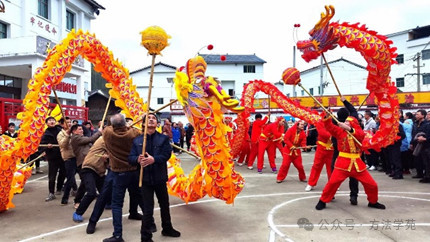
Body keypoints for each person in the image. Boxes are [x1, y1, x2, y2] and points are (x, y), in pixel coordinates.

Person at [315, 114, 385, 210]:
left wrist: (349, 129)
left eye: (348, 122)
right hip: (342, 164)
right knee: (332, 184)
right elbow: (329, 127)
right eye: (345, 121)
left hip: (358, 165)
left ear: (353, 124)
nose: (345, 123)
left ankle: (373, 201)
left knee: (372, 185)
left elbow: (360, 135)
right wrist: (327, 118)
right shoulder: (339, 131)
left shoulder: (359, 132)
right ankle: (322, 201)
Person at [129, 113, 180, 242]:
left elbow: (166, 155)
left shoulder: (163, 139)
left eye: (153, 119)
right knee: (147, 208)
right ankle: (145, 236)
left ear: (157, 124)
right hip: (145, 179)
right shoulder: (137, 140)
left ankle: (167, 228)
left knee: (164, 205)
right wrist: (137, 159)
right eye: (148, 119)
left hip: (160, 178)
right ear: (144, 124)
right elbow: (130, 158)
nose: (151, 120)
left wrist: (154, 159)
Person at [102, 114, 144, 242]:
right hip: (133, 171)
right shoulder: (133, 133)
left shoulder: (108, 133)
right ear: (125, 123)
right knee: (140, 198)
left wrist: (122, 125)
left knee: (116, 205)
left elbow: (107, 127)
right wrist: (130, 125)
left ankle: (118, 235)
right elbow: (139, 131)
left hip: (118, 173)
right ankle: (150, 223)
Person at [72, 136, 108, 222]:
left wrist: (108, 159)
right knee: (91, 192)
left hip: (100, 171)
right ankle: (78, 212)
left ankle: (108, 203)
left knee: (105, 193)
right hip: (89, 168)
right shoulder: (103, 139)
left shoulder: (111, 141)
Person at [70, 123, 103, 209]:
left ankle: (104, 199)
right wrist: (99, 132)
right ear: (74, 131)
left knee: (95, 181)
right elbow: (91, 139)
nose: (82, 130)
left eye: (82, 129)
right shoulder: (75, 138)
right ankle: (77, 200)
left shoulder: (82, 137)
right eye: (79, 129)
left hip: (91, 163)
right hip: (83, 163)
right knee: (85, 183)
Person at [40, 117, 66, 202]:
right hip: (52, 157)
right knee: (52, 176)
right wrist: (47, 146)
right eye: (49, 121)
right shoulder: (46, 133)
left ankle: (59, 188)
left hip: (62, 155)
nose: (52, 122)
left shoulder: (60, 130)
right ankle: (51, 193)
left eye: (53, 120)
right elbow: (42, 145)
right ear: (47, 123)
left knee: (63, 173)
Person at [305, 120, 333, 191]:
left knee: (331, 167)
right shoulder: (320, 123)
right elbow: (323, 133)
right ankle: (311, 183)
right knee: (316, 166)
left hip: (331, 149)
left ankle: (332, 183)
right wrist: (333, 135)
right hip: (321, 148)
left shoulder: (334, 122)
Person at [57, 117, 77, 205]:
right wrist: (67, 135)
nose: (69, 124)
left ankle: (81, 194)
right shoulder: (60, 134)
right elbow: (63, 145)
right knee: (70, 178)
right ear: (62, 124)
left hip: (77, 157)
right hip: (68, 158)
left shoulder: (74, 132)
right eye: (66, 122)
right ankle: (65, 198)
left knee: (85, 175)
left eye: (70, 122)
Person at [410, 109, 429, 181]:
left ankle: (426, 176)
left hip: (424, 145)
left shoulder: (427, 124)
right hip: (416, 144)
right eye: (416, 114)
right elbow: (413, 134)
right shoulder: (415, 123)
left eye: (418, 114)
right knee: (417, 159)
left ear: (423, 115)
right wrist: (411, 143)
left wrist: (424, 139)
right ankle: (419, 173)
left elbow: (427, 134)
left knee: (425, 161)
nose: (416, 115)